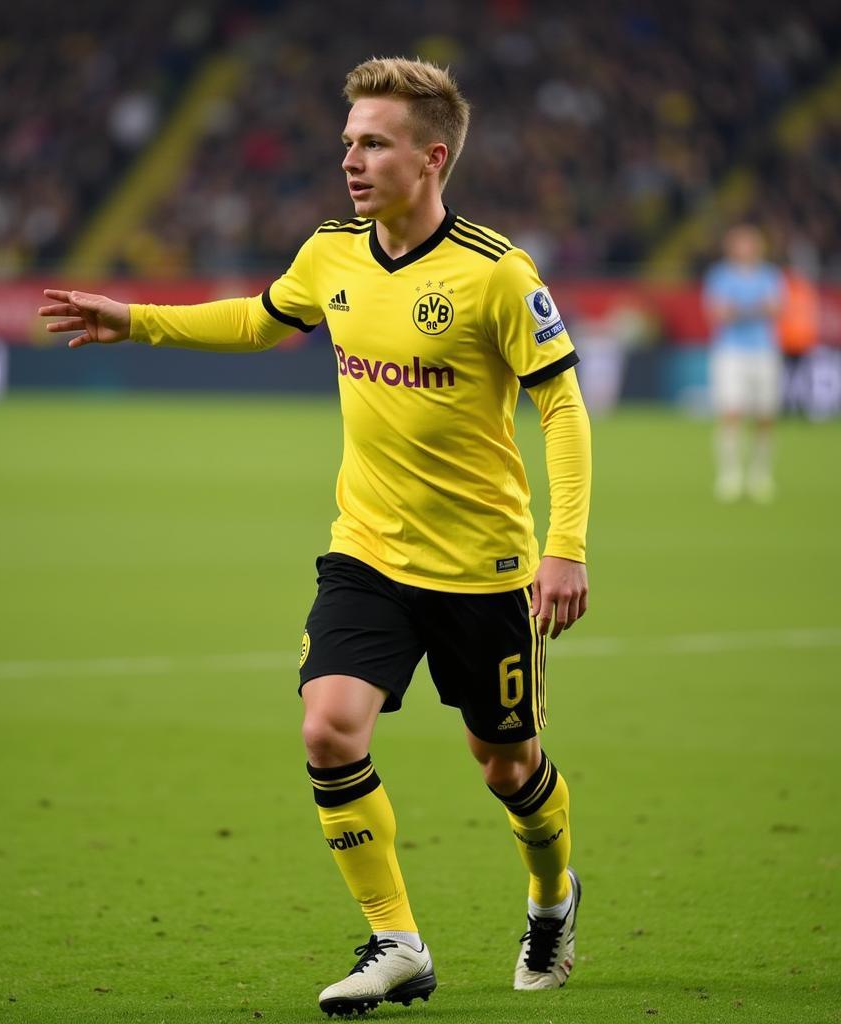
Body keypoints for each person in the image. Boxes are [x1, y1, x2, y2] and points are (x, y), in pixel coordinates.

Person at [40, 56, 591, 1018]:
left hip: (483, 571)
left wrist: (565, 545)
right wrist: (136, 319)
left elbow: (564, 410)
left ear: (430, 158)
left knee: (506, 765)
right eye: (347, 142)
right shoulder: (331, 252)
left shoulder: (497, 274)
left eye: (373, 143)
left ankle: (552, 896)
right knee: (329, 728)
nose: (352, 159)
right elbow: (260, 321)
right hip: (367, 553)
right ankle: (397, 943)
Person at [702, 225, 785, 502]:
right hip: (730, 352)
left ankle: (760, 475)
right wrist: (755, 308)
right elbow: (719, 314)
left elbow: (776, 310)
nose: (745, 249)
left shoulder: (769, 275)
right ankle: (730, 476)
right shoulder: (720, 275)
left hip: (764, 351)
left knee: (765, 416)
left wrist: (739, 309)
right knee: (731, 412)